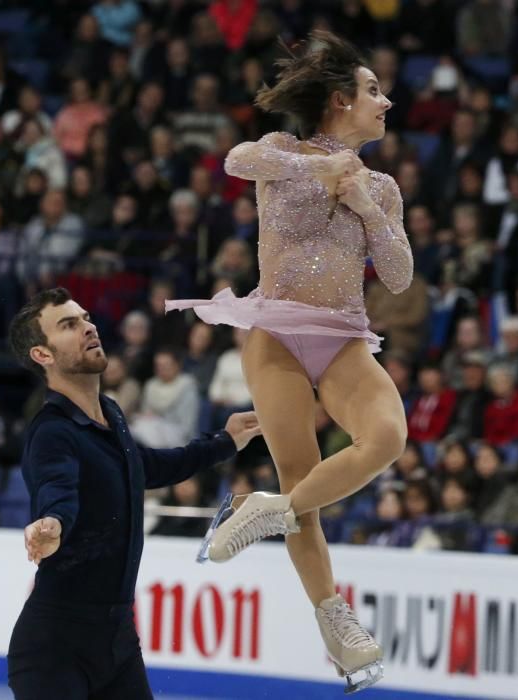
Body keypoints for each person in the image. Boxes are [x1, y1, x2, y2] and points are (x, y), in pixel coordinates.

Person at [164, 31, 409, 692]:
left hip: (344, 339)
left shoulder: (382, 186)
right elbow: (237, 160)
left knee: (388, 437)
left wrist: (362, 203)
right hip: (276, 334)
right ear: (339, 100)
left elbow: (399, 276)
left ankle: (265, 510)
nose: (385, 102)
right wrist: (318, 170)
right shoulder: (280, 152)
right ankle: (334, 621)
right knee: (305, 478)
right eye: (373, 91)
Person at [6, 287, 261, 700]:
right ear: (43, 355)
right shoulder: (52, 432)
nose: (88, 327)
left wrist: (224, 441)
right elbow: (58, 487)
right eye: (69, 325)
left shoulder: (111, 414)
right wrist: (53, 521)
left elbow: (145, 468)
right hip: (55, 649)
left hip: (117, 642)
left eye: (86, 317)